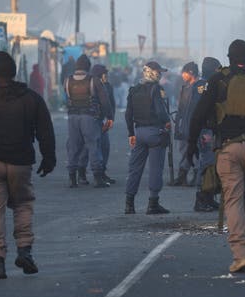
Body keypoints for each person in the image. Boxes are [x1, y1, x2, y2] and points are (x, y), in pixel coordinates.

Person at [188, 40, 245, 273]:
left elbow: (199, 114)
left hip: (228, 150)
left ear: (229, 57)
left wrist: (191, 144)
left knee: (233, 201)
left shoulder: (218, 80)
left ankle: (240, 254)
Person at [0, 52, 56, 279]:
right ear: (14, 72)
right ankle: (24, 250)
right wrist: (49, 158)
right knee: (23, 204)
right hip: (20, 162)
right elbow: (45, 131)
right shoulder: (31, 98)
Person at [124, 61, 172, 215]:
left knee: (134, 169)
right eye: (158, 72)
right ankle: (153, 204)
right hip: (154, 132)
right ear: (153, 73)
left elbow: (128, 114)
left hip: (139, 132)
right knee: (155, 169)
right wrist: (167, 122)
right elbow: (160, 111)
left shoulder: (134, 90)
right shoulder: (156, 89)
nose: (160, 74)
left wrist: (131, 133)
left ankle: (129, 204)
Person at [65, 54, 113, 189]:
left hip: (72, 118)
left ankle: (72, 179)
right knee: (93, 146)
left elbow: (67, 99)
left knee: (74, 147)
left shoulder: (67, 81)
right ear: (88, 66)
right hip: (90, 118)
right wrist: (109, 116)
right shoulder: (94, 80)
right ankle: (98, 178)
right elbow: (105, 101)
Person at [77, 64, 117, 185]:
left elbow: (111, 104)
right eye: (105, 74)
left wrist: (110, 119)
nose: (106, 76)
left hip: (102, 121)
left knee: (104, 147)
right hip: (90, 121)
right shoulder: (89, 85)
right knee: (87, 148)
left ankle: (101, 172)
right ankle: (82, 173)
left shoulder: (108, 86)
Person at [193, 57, 222, 212]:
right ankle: (201, 199)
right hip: (206, 131)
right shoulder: (204, 86)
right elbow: (202, 111)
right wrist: (205, 130)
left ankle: (209, 197)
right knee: (206, 165)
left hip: (208, 130)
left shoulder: (203, 84)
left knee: (212, 165)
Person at [173, 62, 206, 187]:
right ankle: (183, 175)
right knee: (184, 150)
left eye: (184, 72)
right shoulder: (185, 87)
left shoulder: (200, 87)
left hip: (196, 126)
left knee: (196, 151)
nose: (182, 75)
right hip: (185, 125)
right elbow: (181, 108)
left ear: (191, 72)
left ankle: (196, 176)